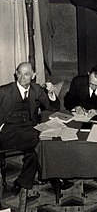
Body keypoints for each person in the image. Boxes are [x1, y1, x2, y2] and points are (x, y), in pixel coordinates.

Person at [0, 62, 60, 195]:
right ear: (16, 73)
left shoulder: (36, 90)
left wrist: (51, 94)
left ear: (33, 75)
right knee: (40, 140)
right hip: (8, 131)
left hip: (28, 130)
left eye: (26, 74)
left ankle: (21, 182)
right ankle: (54, 176)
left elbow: (52, 109)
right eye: (19, 73)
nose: (22, 77)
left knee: (34, 151)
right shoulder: (4, 91)